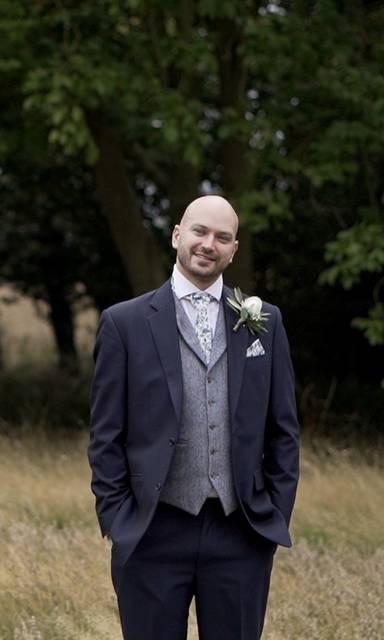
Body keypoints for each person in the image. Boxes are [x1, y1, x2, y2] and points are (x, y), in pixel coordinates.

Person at [87, 195, 300, 640]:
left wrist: (273, 514)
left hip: (240, 533)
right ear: (177, 235)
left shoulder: (265, 322)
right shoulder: (124, 323)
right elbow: (106, 435)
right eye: (200, 232)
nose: (209, 244)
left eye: (223, 237)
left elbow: (284, 431)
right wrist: (118, 519)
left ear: (234, 249)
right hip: (151, 532)